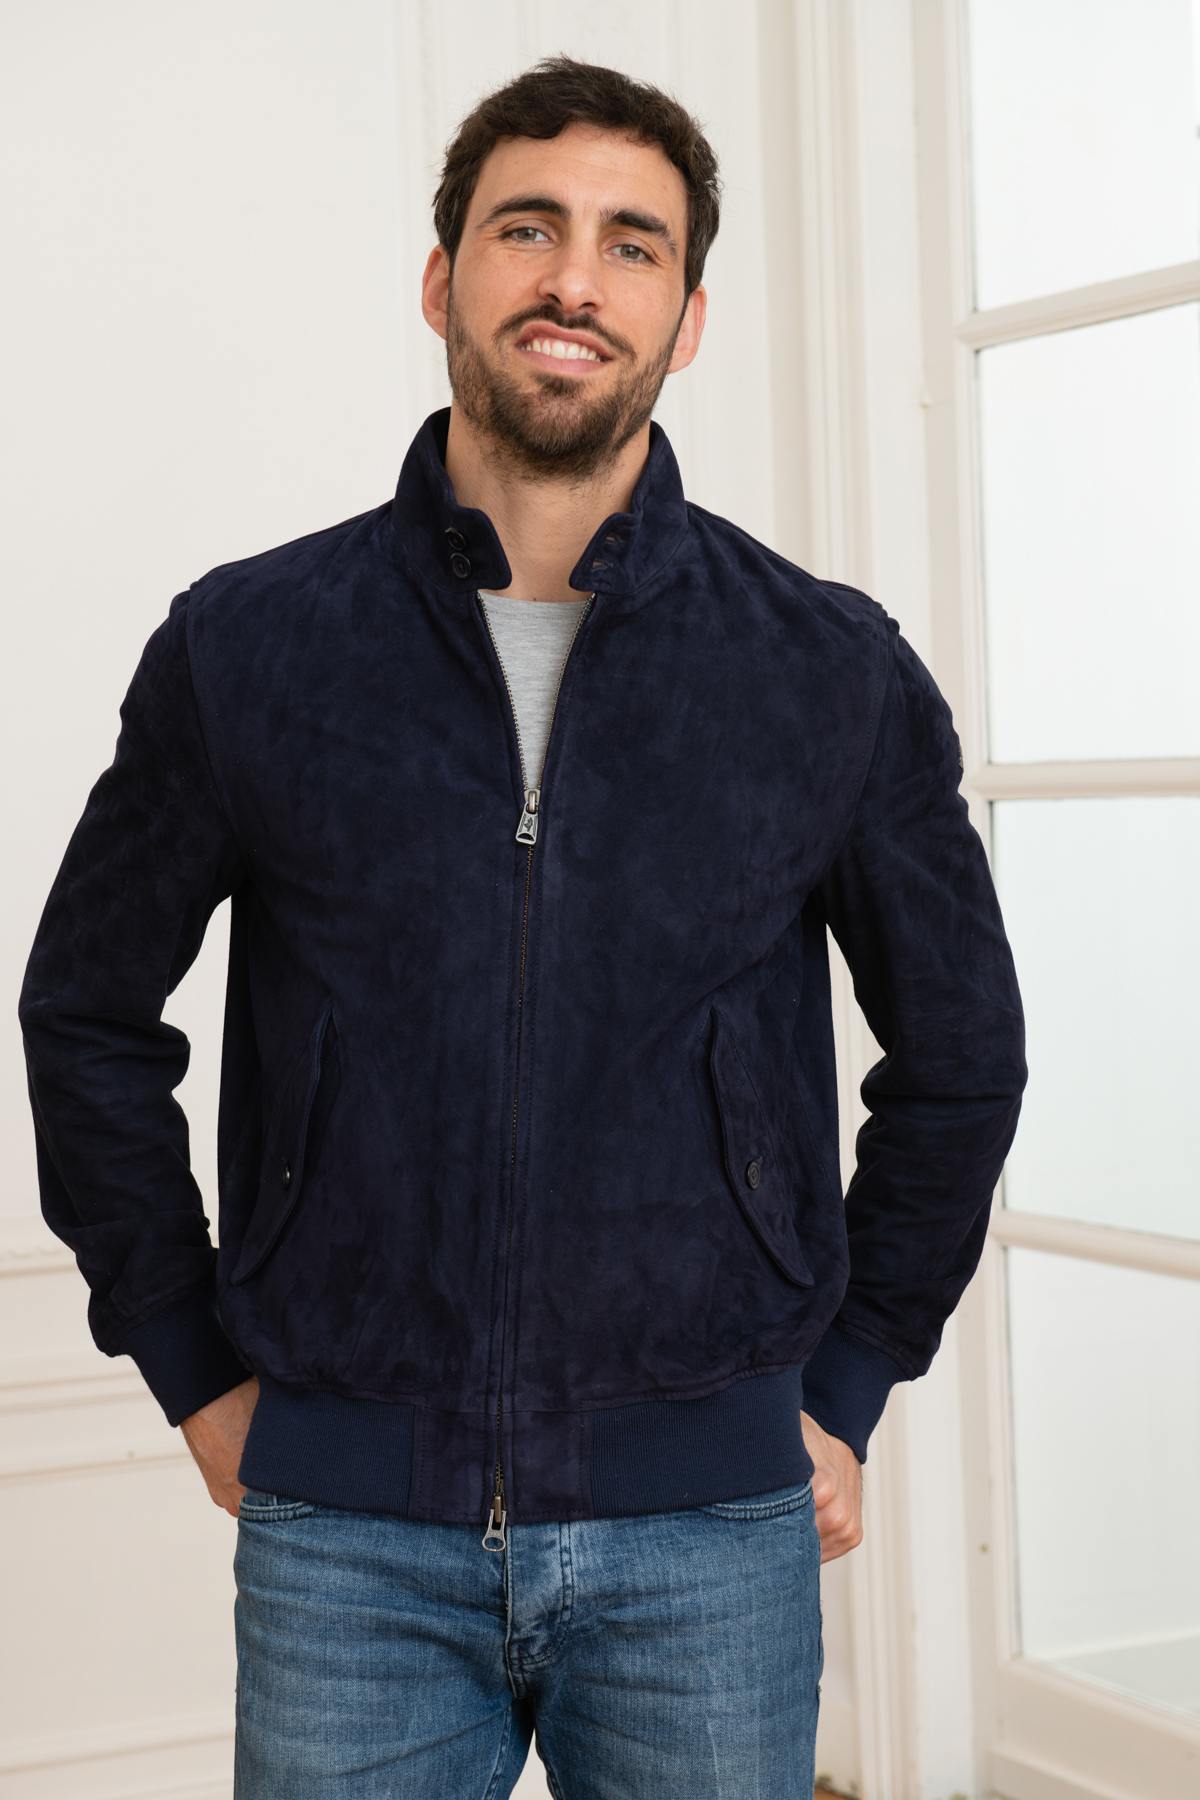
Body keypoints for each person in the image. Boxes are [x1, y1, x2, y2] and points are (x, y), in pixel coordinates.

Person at [16, 52, 1027, 1800]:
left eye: (634, 245)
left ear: (688, 321)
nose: (576, 278)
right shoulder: (249, 648)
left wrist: (852, 1374)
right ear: (443, 280)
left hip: (711, 1534)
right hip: (347, 1538)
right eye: (527, 228)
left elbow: (963, 1055)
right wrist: (188, 1360)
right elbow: (87, 1014)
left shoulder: (825, 669)